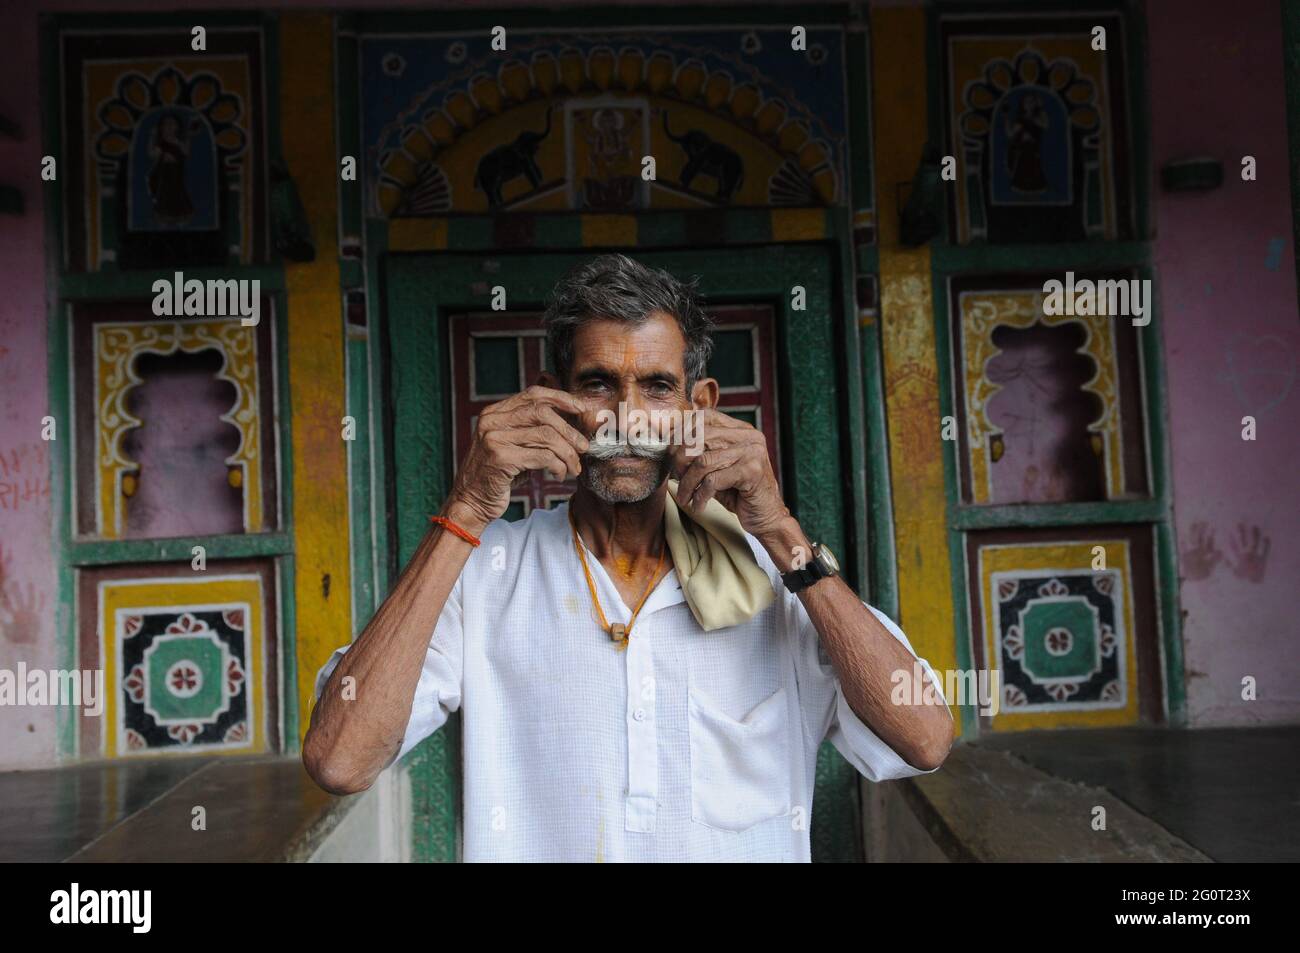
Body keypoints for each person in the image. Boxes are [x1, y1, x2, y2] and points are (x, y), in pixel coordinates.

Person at [304, 253, 953, 861]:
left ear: (700, 407)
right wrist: (466, 509)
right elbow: (339, 759)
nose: (627, 417)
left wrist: (782, 533)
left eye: (658, 387)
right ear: (550, 400)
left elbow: (925, 738)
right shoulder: (486, 573)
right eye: (597, 384)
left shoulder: (776, 578)